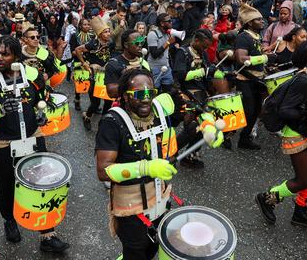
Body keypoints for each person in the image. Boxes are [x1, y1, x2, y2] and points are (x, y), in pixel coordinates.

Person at [95, 68, 221, 260]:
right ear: (126, 97)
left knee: (156, 242)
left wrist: (209, 126)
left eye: (150, 93)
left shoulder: (161, 106)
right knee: (135, 250)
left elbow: (199, 110)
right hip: (130, 204)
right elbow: (104, 171)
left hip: (161, 196)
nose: (146, 99)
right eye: (139, 94)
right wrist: (146, 167)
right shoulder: (112, 122)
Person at [0, 35, 69, 252]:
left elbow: (43, 97)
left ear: (17, 55)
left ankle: (47, 234)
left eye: (5, 54)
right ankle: (10, 220)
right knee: (7, 185)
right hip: (1, 144)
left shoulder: (31, 74)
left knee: (42, 182)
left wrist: (41, 114)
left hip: (33, 137)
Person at [255, 41, 307, 231]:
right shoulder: (303, 80)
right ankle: (267, 198)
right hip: (297, 134)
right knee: (303, 180)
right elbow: (286, 110)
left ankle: (301, 212)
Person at [173, 28, 224, 165]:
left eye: (207, 47)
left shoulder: (203, 53)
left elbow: (208, 72)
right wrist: (203, 71)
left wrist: (222, 74)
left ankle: (190, 154)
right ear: (196, 40)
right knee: (192, 127)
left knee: (203, 126)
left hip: (201, 94)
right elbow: (181, 76)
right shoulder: (182, 52)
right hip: (186, 94)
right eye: (204, 46)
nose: (205, 49)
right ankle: (172, 151)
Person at [234, 4, 268, 150]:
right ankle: (227, 134)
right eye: (258, 20)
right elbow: (241, 59)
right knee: (248, 110)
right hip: (245, 79)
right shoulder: (243, 37)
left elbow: (255, 54)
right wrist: (265, 58)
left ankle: (244, 139)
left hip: (257, 79)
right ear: (249, 23)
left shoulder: (257, 36)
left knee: (255, 111)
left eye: (262, 19)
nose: (262, 21)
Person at [74, 16, 114, 131]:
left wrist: (108, 64)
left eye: (109, 31)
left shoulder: (110, 43)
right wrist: (85, 64)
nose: (108, 34)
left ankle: (103, 122)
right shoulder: (93, 44)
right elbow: (77, 50)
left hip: (106, 75)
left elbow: (112, 55)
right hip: (94, 76)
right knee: (95, 103)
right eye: (105, 32)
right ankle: (87, 116)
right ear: (100, 34)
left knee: (108, 100)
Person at [105, 30, 149, 99]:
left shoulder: (143, 62)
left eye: (142, 43)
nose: (140, 46)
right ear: (126, 45)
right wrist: (128, 79)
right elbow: (111, 92)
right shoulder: (114, 64)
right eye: (137, 43)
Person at [69, 18, 95, 111]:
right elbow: (72, 51)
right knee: (79, 83)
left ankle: (93, 105)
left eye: (88, 24)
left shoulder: (92, 36)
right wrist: (80, 53)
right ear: (80, 26)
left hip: (90, 62)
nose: (87, 26)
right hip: (78, 62)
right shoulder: (74, 36)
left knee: (91, 84)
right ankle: (77, 100)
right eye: (85, 24)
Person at [147, 13, 176, 92]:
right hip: (155, 69)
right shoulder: (153, 34)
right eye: (168, 21)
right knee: (155, 91)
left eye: (171, 20)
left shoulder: (167, 34)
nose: (171, 23)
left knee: (168, 91)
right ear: (162, 23)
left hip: (166, 67)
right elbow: (154, 54)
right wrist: (168, 43)